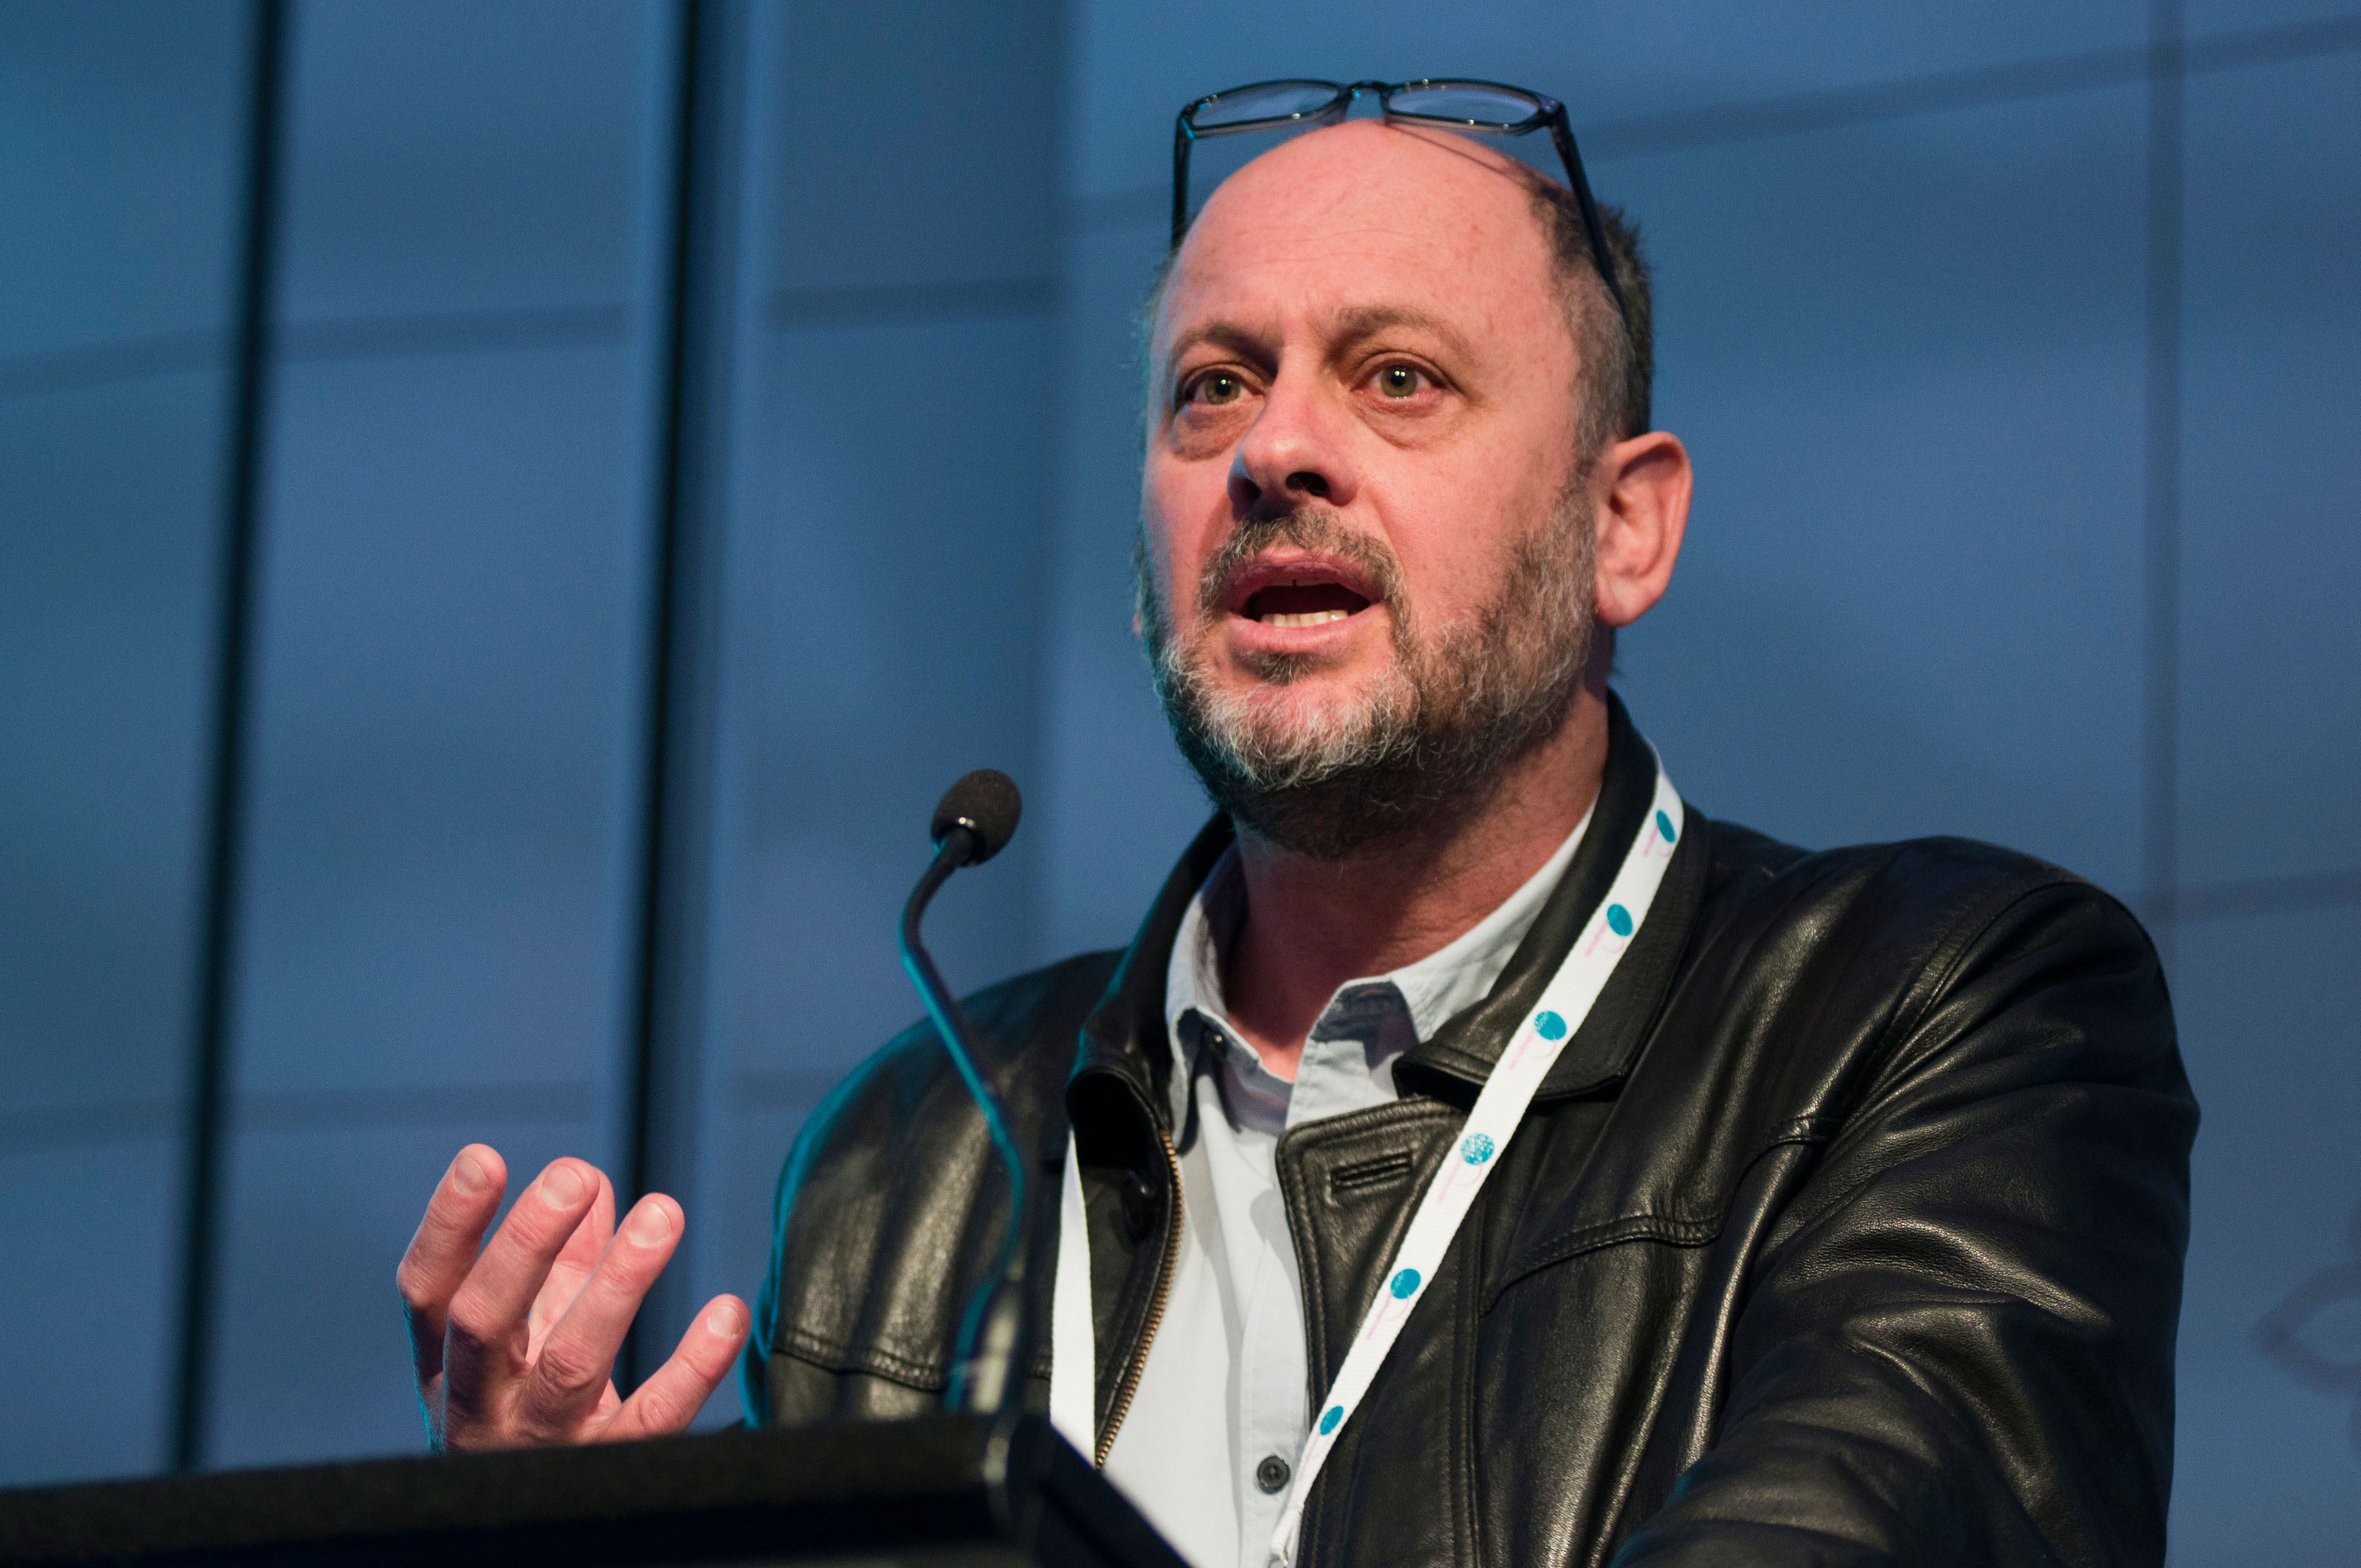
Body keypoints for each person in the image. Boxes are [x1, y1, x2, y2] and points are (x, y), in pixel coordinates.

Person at [399, 89, 2195, 1568]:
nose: (1278, 452)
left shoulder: (1949, 1014)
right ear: (1144, 566)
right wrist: (565, 1550)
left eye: (1399, 377)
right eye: (1213, 388)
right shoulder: (916, 1158)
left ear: (1623, 531)